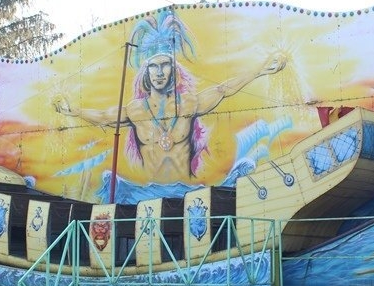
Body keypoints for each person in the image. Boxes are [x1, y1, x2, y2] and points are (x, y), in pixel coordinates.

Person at [54, 10, 285, 184]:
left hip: (187, 192)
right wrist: (73, 111)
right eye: (153, 67)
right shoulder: (136, 110)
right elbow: (105, 116)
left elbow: (223, 89)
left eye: (165, 65)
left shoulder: (188, 104)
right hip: (143, 195)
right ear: (145, 73)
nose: (159, 72)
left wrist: (260, 70)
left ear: (174, 71)